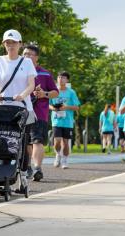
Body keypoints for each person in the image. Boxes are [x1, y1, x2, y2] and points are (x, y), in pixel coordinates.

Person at [22, 44, 58, 181]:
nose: (27, 56)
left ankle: (37, 168)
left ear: (37, 57)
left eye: (30, 54)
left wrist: (44, 93)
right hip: (22, 112)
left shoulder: (45, 73)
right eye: (25, 54)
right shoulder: (18, 72)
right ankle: (30, 166)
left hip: (39, 113)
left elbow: (55, 93)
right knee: (26, 142)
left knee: (37, 141)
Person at [49, 72, 80, 169]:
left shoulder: (71, 92)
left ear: (67, 80)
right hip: (56, 120)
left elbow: (77, 107)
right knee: (57, 140)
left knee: (65, 142)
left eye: (63, 77)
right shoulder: (53, 92)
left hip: (68, 121)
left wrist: (67, 107)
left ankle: (65, 160)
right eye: (59, 77)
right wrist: (53, 108)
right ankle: (58, 155)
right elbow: (48, 104)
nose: (60, 79)